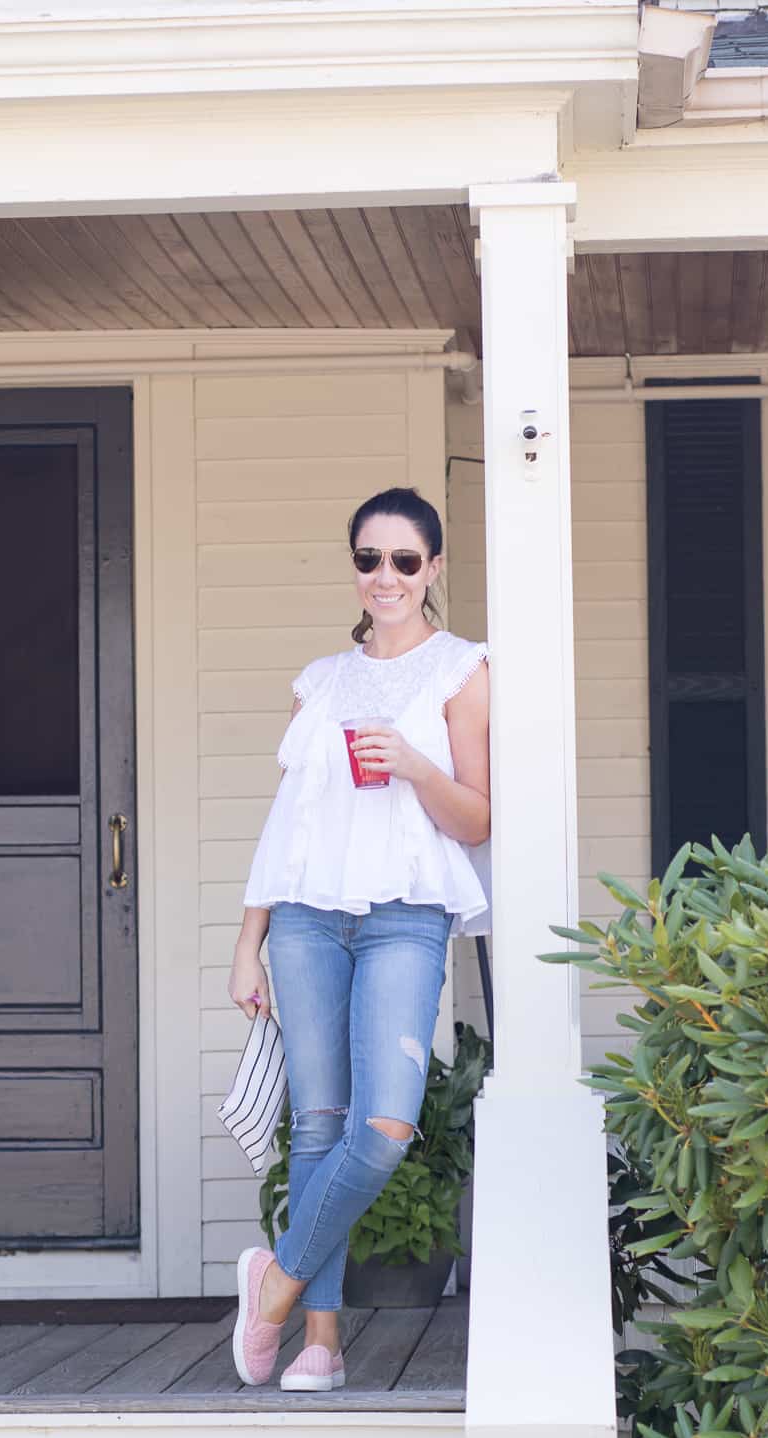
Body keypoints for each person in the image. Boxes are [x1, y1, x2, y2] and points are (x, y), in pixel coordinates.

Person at [226, 486, 491, 1391]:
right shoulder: (321, 680)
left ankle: (275, 1289)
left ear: (435, 570)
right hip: (305, 914)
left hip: (405, 917)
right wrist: (246, 939)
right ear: (355, 568)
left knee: (382, 1127)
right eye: (369, 559)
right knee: (319, 1125)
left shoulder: (462, 670)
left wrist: (416, 765)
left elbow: (479, 821)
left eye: (405, 561)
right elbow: (286, 821)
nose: (386, 577)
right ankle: (320, 1343)